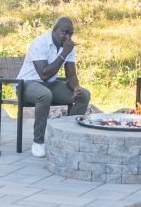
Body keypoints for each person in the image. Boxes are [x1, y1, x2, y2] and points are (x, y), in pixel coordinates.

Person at [16, 16, 91, 157]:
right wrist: (64, 53)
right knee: (44, 95)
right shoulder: (39, 42)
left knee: (84, 95)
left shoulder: (68, 47)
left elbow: (71, 75)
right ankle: (38, 142)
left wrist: (76, 88)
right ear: (54, 30)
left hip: (50, 85)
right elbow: (44, 74)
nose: (68, 36)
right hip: (27, 84)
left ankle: (69, 136)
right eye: (65, 32)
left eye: (71, 34)